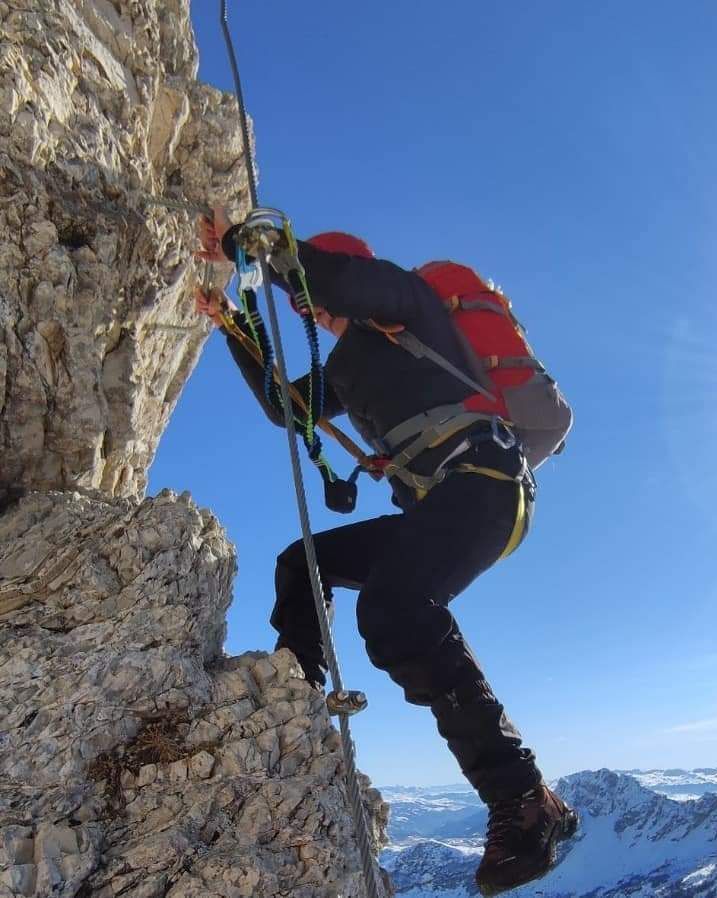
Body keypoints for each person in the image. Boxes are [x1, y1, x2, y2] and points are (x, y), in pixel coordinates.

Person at [195, 208, 578, 895]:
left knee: (396, 610)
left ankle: (524, 800)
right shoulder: (347, 363)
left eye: (305, 295)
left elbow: (344, 285)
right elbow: (290, 409)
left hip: (486, 483)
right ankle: (299, 697)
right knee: (302, 561)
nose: (308, 309)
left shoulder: (407, 303)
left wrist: (258, 249)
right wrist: (232, 322)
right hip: (446, 504)